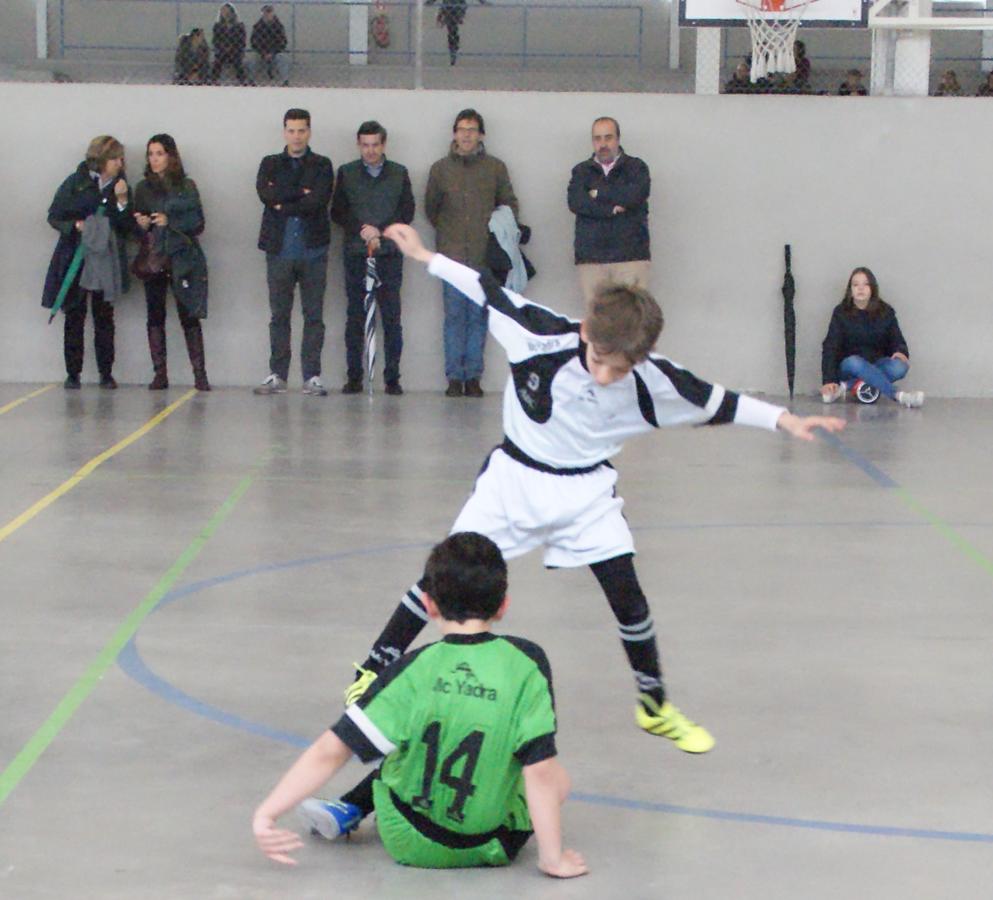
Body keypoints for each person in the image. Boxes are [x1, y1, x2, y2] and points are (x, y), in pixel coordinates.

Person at [344, 223, 846, 755]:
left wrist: (786, 420)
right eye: (601, 362)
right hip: (513, 481)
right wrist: (425, 255)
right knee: (440, 578)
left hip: (586, 495)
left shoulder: (657, 381)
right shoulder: (539, 334)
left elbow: (718, 400)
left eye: (622, 368)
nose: (608, 377)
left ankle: (654, 706)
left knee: (628, 599)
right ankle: (372, 669)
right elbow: (486, 289)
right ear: (586, 331)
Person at [254, 532, 586, 877]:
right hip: (492, 844)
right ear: (503, 605)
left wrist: (267, 814)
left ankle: (351, 806)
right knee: (551, 774)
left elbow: (330, 750)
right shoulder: (527, 662)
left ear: (429, 605)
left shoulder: (413, 667)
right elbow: (540, 772)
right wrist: (552, 859)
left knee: (399, 743)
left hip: (405, 838)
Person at [425, 108, 518, 398]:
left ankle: (473, 377)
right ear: (454, 134)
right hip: (450, 256)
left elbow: (509, 205)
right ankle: (454, 377)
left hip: (483, 255)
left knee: (478, 317)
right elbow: (431, 209)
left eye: (472, 129)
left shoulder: (495, 168)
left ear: (481, 135)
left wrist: (494, 231)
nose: (466, 134)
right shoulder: (440, 169)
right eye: (462, 129)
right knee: (453, 317)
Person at [254, 109, 334, 396]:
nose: (296, 136)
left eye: (301, 130)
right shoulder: (270, 163)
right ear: (284, 132)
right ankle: (278, 374)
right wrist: (299, 193)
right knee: (279, 315)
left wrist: (283, 203)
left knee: (314, 315)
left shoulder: (323, 165)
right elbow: (266, 194)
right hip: (279, 250)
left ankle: (312, 376)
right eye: (291, 130)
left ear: (309, 132)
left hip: (313, 251)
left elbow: (318, 200)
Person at [330, 120, 415, 395]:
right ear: (358, 145)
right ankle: (354, 376)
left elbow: (407, 211)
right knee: (355, 317)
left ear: (384, 145)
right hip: (357, 254)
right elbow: (338, 211)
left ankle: (392, 378)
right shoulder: (346, 173)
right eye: (365, 145)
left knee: (391, 318)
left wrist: (382, 231)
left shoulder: (399, 173)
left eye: (375, 145)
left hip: (389, 255)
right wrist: (362, 231)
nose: (370, 151)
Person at [43, 136, 132, 390]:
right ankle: (73, 373)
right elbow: (54, 216)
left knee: (104, 316)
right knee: (74, 314)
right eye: (115, 158)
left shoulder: (121, 185)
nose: (120, 163)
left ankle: (106, 373)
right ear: (102, 160)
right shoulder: (76, 183)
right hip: (76, 255)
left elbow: (126, 225)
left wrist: (123, 201)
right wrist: (75, 226)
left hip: (105, 256)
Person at [133, 134, 211, 391]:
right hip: (155, 256)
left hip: (181, 257)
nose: (154, 159)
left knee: (189, 314)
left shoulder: (186, 186)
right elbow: (135, 225)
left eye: (159, 153)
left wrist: (171, 222)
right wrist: (141, 223)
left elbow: (198, 223)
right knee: (155, 315)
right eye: (151, 154)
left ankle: (200, 374)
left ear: (171, 156)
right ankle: (160, 373)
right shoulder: (143, 188)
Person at [567, 117, 651, 306]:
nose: (603, 144)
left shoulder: (636, 168)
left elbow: (635, 195)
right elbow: (576, 203)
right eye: (597, 138)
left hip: (631, 257)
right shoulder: (581, 171)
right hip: (591, 259)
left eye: (608, 137)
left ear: (618, 139)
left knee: (633, 321)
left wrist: (597, 193)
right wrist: (612, 208)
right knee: (599, 326)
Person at [820, 267, 923, 408]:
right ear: (850, 290)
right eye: (856, 285)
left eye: (866, 284)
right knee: (854, 362)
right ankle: (899, 396)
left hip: (877, 364)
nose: (860, 289)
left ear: (873, 288)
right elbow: (830, 346)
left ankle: (845, 387)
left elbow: (897, 339)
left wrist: (901, 352)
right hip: (849, 366)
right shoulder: (841, 313)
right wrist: (829, 380)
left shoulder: (886, 312)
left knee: (900, 367)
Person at [425, 0, 488, 66]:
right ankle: (453, 49)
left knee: (452, 28)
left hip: (456, 7)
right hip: (449, 7)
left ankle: (453, 49)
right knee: (452, 29)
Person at [250, 4, 290, 86]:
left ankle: (285, 81)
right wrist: (263, 53)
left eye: (269, 12)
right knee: (253, 60)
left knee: (282, 59)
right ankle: (251, 81)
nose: (267, 14)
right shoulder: (257, 27)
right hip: (261, 53)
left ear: (273, 13)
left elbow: (283, 42)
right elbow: (254, 42)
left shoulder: (279, 27)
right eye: (265, 12)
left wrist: (272, 53)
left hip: (275, 53)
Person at [211, 2, 247, 84]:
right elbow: (215, 40)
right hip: (222, 50)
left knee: (238, 62)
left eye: (227, 11)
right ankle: (213, 81)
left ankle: (242, 81)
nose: (225, 14)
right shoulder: (217, 26)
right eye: (223, 11)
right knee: (217, 62)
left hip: (235, 50)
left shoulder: (239, 26)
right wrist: (223, 47)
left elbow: (242, 40)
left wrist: (232, 47)